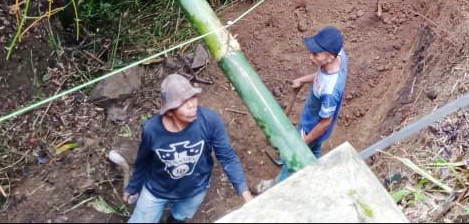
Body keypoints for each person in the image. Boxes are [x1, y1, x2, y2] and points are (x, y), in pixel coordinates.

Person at [123, 74, 252, 223]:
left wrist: (245, 194)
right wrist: (133, 186)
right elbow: (143, 161)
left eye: (192, 98)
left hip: (195, 189)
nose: (192, 105)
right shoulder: (152, 130)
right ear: (170, 111)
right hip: (157, 190)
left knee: (179, 218)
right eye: (184, 103)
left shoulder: (210, 121)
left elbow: (227, 157)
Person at [255, 26, 348, 193]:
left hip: (312, 127)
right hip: (310, 119)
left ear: (330, 57)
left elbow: (325, 123)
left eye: (315, 54)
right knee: (314, 151)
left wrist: (302, 142)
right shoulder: (339, 55)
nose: (310, 56)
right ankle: (317, 174)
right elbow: (321, 76)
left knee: (295, 157)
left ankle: (276, 185)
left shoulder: (330, 91)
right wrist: (303, 80)